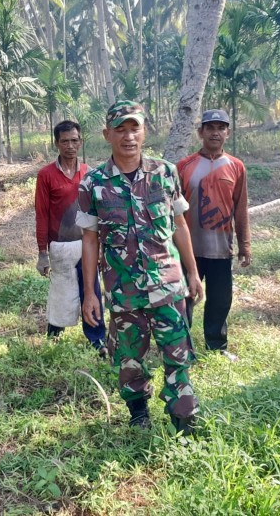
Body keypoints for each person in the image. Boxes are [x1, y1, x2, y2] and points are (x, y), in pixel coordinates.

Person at [76, 100, 203, 434]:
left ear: (144, 131)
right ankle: (138, 414)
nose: (128, 136)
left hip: (168, 285)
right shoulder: (94, 184)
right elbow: (90, 240)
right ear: (107, 135)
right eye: (120, 129)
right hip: (123, 291)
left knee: (178, 354)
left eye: (135, 128)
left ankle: (183, 419)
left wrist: (192, 272)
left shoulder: (165, 173)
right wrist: (89, 293)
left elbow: (179, 225)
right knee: (129, 359)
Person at [177, 108, 251, 359]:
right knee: (185, 299)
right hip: (188, 249)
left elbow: (240, 208)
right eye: (210, 128)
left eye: (221, 128)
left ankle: (217, 347)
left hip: (221, 249)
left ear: (227, 133)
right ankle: (181, 349)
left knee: (220, 300)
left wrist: (245, 245)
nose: (215, 132)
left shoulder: (236, 167)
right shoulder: (184, 166)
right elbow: (172, 211)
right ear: (201, 132)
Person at [35, 121, 107, 356]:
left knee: (92, 292)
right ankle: (53, 339)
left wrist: (102, 248)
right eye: (64, 141)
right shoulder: (46, 175)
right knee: (62, 294)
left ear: (81, 142)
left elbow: (99, 213)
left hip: (87, 243)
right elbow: (42, 214)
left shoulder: (90, 173)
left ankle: (97, 342)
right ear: (56, 143)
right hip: (61, 246)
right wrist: (42, 253)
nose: (70, 146)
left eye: (74, 140)